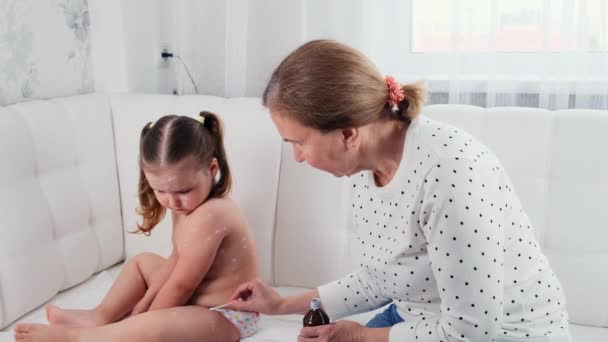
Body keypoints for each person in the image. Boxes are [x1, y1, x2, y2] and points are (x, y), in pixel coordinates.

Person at [225, 40, 572, 342]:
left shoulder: (451, 172)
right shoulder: (369, 163)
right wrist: (280, 305)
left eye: (298, 143)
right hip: (420, 318)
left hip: (504, 334)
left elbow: (472, 330)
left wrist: (360, 336)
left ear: (348, 134)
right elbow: (382, 278)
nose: (297, 158)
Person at [14, 112, 259, 342]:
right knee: (142, 262)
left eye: (184, 190)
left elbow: (181, 285)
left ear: (211, 170)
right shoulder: (185, 207)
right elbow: (175, 259)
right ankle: (100, 316)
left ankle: (75, 337)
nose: (171, 201)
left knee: (156, 326)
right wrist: (146, 301)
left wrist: (145, 317)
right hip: (193, 297)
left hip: (225, 315)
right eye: (160, 190)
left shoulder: (212, 215)